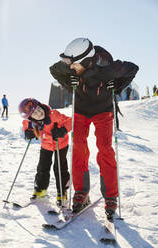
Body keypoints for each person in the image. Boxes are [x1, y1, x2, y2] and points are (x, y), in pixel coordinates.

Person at [49, 37, 139, 217]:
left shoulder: (109, 67)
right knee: (79, 148)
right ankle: (81, 192)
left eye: (73, 64)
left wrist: (118, 85)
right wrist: (69, 81)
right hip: (81, 110)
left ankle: (111, 196)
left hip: (103, 110)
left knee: (105, 149)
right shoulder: (71, 64)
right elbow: (54, 70)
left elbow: (133, 68)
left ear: (85, 60)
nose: (70, 67)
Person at [18, 98, 72, 206]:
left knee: (59, 167)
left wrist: (63, 130)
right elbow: (25, 123)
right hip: (46, 145)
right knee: (42, 167)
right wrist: (27, 131)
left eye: (38, 109)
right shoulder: (32, 122)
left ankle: (62, 192)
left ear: (40, 106)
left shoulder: (53, 115)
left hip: (60, 143)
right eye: (35, 114)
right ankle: (40, 190)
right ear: (32, 118)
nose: (39, 113)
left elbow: (70, 121)